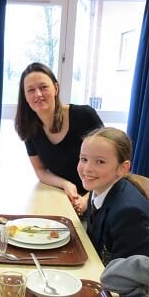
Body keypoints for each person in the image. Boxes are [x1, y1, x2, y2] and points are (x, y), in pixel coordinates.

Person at [14, 62, 103, 206]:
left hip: (98, 197)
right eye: (30, 90)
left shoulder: (84, 116)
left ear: (56, 88)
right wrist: (65, 184)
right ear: (24, 96)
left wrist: (87, 199)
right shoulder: (29, 127)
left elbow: (108, 165)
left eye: (43, 87)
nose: (38, 94)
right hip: (65, 197)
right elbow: (40, 170)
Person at [77, 127, 149, 265]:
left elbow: (126, 276)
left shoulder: (129, 213)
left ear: (122, 168)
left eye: (100, 161)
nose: (87, 168)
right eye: (84, 159)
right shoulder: (97, 190)